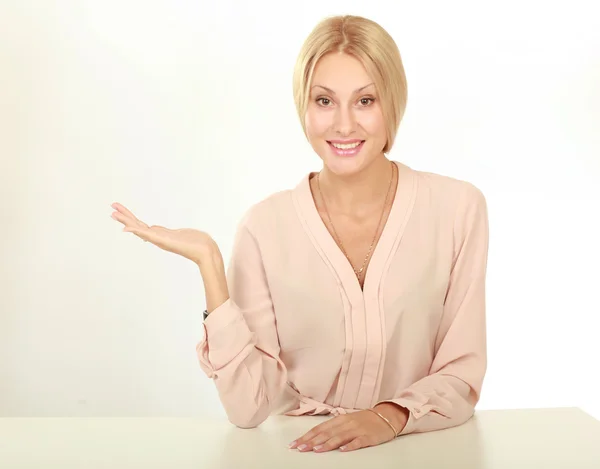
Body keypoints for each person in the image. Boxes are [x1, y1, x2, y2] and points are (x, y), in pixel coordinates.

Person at [110, 14, 490, 454]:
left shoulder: (458, 209)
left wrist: (386, 417)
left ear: (393, 102)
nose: (343, 125)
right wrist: (210, 264)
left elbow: (461, 376)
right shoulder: (264, 228)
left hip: (421, 451)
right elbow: (248, 408)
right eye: (324, 101)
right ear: (303, 107)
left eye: (365, 101)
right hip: (299, 453)